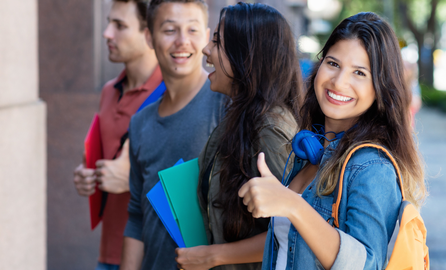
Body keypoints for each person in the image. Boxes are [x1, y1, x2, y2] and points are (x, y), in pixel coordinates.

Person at [239, 12, 427, 270]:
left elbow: (367, 265)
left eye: (360, 73)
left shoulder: (372, 166)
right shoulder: (308, 150)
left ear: (380, 86)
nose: (339, 82)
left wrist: (291, 204)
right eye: (333, 64)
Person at [175, 3, 303, 270]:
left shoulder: (271, 129)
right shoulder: (240, 115)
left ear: (247, 56)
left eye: (218, 42)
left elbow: (298, 229)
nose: (206, 50)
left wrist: (214, 256)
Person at [121, 0, 224, 269]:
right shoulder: (140, 123)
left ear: (206, 36)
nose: (182, 41)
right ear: (149, 37)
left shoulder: (227, 106)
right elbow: (135, 216)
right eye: (169, 30)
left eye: (192, 30)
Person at [72, 0, 161, 269]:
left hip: (152, 255)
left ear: (149, 34)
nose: (107, 33)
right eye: (109, 22)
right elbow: (102, 152)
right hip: (108, 252)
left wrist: (133, 179)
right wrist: (86, 175)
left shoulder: (173, 94)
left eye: (120, 25)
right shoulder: (109, 90)